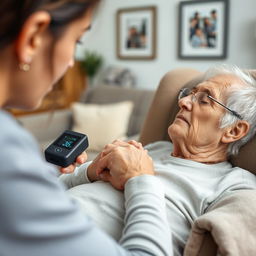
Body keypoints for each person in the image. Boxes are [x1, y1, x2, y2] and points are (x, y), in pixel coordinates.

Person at [0, 1, 171, 256]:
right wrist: (141, 179)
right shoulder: (8, 150)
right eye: (77, 40)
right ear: (33, 37)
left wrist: (51, 175)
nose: (71, 63)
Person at [59, 65, 256, 256]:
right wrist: (91, 170)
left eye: (204, 100)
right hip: (44, 215)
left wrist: (138, 178)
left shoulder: (234, 184)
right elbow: (54, 187)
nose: (184, 102)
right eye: (190, 94)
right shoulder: (157, 147)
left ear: (234, 130)